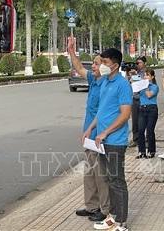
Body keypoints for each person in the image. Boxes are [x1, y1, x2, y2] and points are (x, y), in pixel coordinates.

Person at [90, 48, 133, 231]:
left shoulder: (122, 85)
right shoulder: (105, 82)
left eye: (105, 63)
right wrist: (91, 129)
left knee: (117, 180)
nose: (102, 66)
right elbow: (103, 110)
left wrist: (105, 132)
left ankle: (121, 222)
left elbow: (125, 115)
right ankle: (112, 217)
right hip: (102, 141)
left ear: (115, 65)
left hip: (115, 141)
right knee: (108, 179)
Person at [69, 37, 110, 223]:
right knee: (90, 173)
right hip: (89, 136)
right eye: (93, 63)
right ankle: (91, 206)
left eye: (96, 63)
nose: (92, 66)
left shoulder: (107, 85)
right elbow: (79, 68)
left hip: (99, 136)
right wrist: (71, 51)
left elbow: (104, 113)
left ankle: (104, 208)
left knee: (101, 175)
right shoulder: (94, 80)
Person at [136, 69, 159, 159]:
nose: (145, 77)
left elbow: (149, 95)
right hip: (142, 108)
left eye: (147, 75)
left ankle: (151, 151)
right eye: (144, 75)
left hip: (152, 109)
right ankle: (141, 151)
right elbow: (134, 92)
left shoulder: (154, 86)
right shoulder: (141, 87)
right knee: (140, 130)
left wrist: (145, 86)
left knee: (149, 131)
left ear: (152, 77)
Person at [129, 56, 147, 147]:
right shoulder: (136, 73)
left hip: (143, 99)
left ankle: (145, 139)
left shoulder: (147, 73)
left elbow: (144, 81)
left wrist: (135, 76)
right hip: (134, 99)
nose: (137, 65)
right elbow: (130, 82)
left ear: (144, 63)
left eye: (139, 63)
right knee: (135, 120)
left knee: (144, 120)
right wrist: (130, 75)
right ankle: (135, 139)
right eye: (136, 63)